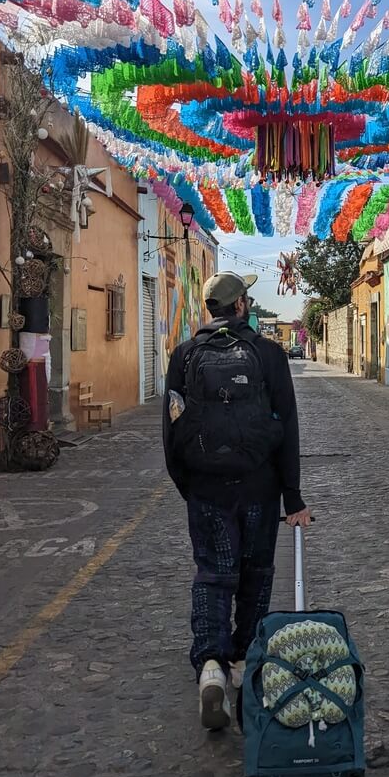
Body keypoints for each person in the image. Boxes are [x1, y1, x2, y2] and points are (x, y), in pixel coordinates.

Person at [163, 271, 311, 730]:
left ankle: (210, 665)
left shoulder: (184, 355)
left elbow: (171, 433)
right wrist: (293, 497)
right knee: (256, 574)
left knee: (212, 574)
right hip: (260, 489)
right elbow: (286, 428)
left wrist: (191, 486)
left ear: (209, 309)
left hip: (207, 489)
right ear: (242, 306)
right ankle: (245, 664)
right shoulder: (268, 355)